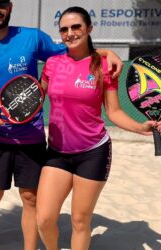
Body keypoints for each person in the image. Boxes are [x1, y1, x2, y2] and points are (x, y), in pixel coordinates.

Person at [0, 1, 124, 249]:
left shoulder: (32, 38)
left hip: (31, 137)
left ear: (10, 7)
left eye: (1, 3)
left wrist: (105, 53)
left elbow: (72, 49)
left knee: (30, 199)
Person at [36, 6, 161, 250]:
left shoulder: (104, 66)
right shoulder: (52, 64)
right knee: (44, 218)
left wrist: (140, 127)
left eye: (76, 27)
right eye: (64, 29)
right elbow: (36, 98)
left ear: (89, 28)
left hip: (93, 151)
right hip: (58, 152)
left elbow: (113, 111)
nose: (70, 33)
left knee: (80, 221)